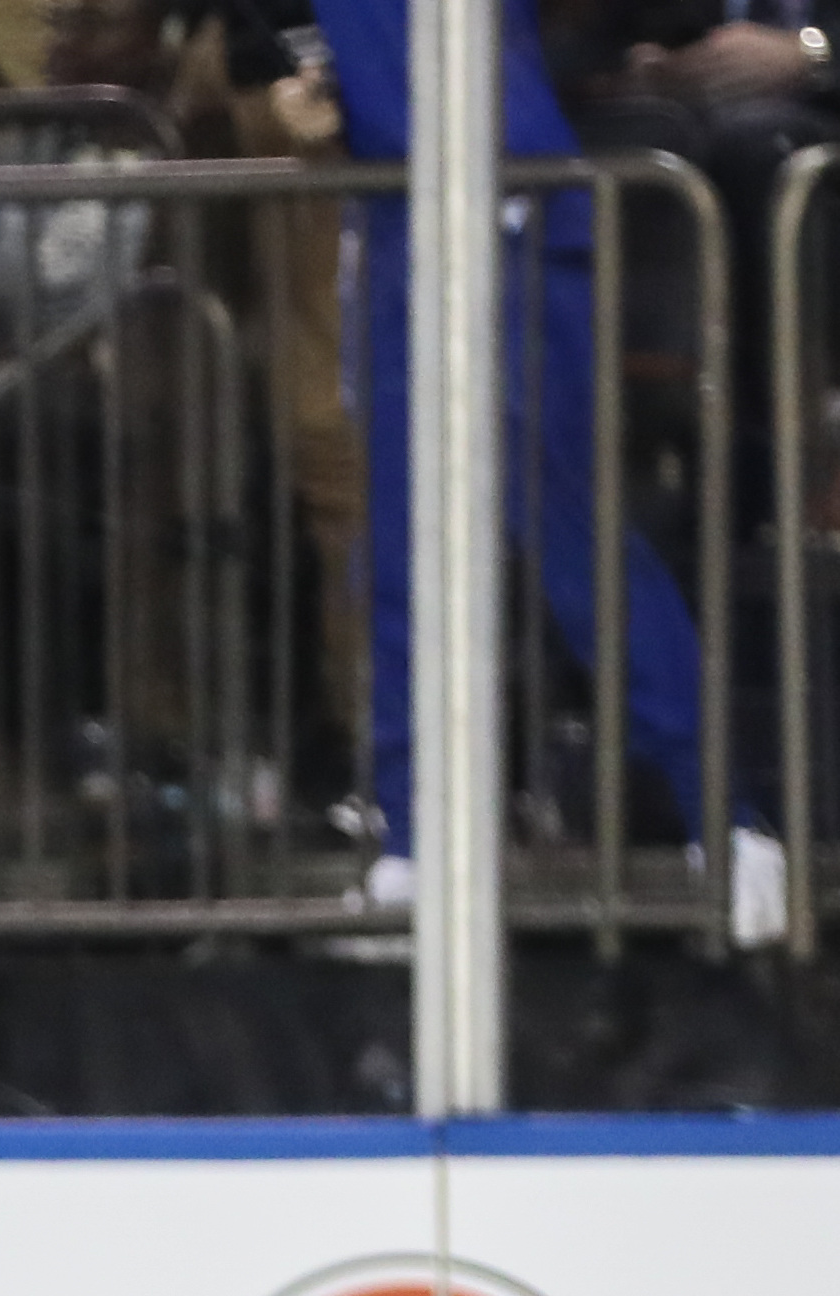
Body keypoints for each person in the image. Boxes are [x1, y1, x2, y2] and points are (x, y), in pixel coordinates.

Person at [322, 0, 786, 938]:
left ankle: (727, 824)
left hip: (506, 202)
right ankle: (414, 838)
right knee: (401, 549)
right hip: (402, 214)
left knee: (573, 542)